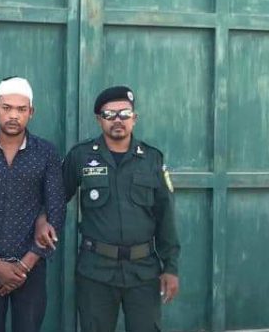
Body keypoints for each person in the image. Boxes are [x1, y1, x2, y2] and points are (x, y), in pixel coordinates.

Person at [37, 85, 180, 331]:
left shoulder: (152, 159)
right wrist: (42, 218)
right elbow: (55, 196)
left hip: (143, 271)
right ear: (99, 119)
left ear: (134, 118)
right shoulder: (81, 156)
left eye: (124, 114)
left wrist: (171, 267)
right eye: (109, 114)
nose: (117, 120)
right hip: (96, 271)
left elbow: (165, 217)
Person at [0, 76, 66, 332]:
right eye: (7, 108)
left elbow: (56, 210)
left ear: (31, 112)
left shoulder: (46, 152)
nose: (14, 115)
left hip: (32, 266)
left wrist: (24, 266)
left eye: (21, 109)